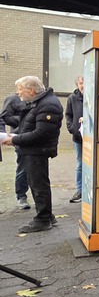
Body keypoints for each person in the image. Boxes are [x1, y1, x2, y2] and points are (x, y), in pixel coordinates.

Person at [1, 76, 63, 233]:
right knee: (37, 183)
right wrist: (12, 135)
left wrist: (15, 140)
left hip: (38, 151)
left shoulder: (48, 105)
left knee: (38, 185)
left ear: (31, 90)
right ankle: (48, 216)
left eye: (20, 89)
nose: (18, 93)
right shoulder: (39, 103)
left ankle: (43, 219)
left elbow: (41, 133)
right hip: (33, 150)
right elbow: (27, 126)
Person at [1, 94, 31, 210]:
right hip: (19, 137)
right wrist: (24, 119)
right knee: (23, 167)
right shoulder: (13, 99)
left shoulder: (36, 100)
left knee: (35, 169)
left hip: (35, 138)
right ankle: (21, 196)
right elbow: (5, 117)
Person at [65, 75, 84, 203]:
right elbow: (68, 115)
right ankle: (80, 190)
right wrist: (72, 128)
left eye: (85, 83)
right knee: (80, 164)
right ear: (77, 85)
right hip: (78, 137)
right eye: (81, 83)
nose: (83, 85)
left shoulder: (92, 96)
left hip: (92, 138)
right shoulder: (72, 98)